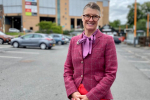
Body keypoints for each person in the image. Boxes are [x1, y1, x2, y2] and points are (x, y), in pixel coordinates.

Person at [64, 2, 118, 100]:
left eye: (95, 16)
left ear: (99, 18)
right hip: (77, 96)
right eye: (87, 16)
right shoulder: (74, 40)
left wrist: (90, 96)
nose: (91, 19)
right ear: (82, 17)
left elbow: (111, 73)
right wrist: (72, 92)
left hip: (99, 96)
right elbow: (67, 69)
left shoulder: (108, 40)